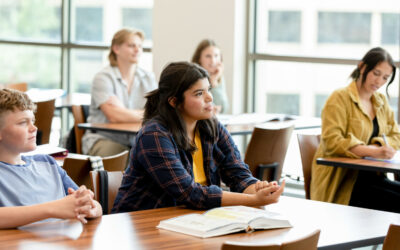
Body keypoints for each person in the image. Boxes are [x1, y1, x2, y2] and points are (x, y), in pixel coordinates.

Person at [112, 62, 285, 212]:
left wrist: (257, 189)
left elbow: (238, 174)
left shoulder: (212, 126)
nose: (210, 97)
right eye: (199, 93)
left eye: (208, 90)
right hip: (141, 226)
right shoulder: (154, 135)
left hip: (190, 221)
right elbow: (189, 193)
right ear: (174, 102)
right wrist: (254, 201)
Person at [311, 47, 400, 213]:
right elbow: (332, 142)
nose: (379, 81)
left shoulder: (380, 100)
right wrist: (373, 152)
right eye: (376, 73)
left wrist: (378, 147)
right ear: (362, 67)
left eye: (385, 78)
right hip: (344, 184)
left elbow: (396, 135)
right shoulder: (339, 98)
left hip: (373, 179)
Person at [0, 89, 102, 229]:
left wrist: (90, 207)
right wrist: (53, 208)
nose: (34, 128)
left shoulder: (47, 163)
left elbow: (94, 205)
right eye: (23, 122)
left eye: (33, 121)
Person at [82, 28, 157, 157]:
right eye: (131, 45)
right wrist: (145, 114)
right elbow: (114, 116)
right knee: (127, 157)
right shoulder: (103, 78)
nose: (137, 50)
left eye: (139, 46)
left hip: (136, 141)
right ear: (116, 48)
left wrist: (123, 110)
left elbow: (157, 114)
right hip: (104, 139)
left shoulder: (148, 78)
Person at [192, 39, 229, 114]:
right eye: (208, 56)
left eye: (216, 56)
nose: (213, 61)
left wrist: (214, 81)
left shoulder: (218, 77)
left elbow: (224, 108)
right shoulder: (193, 78)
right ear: (199, 59)